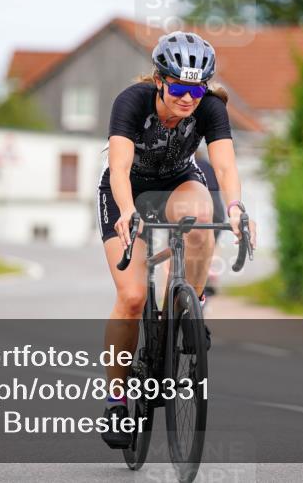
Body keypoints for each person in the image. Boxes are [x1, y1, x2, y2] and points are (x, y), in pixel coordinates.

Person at [97, 30, 256, 448]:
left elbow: (224, 167)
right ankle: (117, 401)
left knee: (205, 217)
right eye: (181, 88)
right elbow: (118, 168)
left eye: (197, 89)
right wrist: (128, 211)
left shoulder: (210, 109)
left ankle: (190, 307)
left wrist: (237, 208)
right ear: (160, 80)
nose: (189, 99)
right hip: (128, 190)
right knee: (132, 297)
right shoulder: (131, 102)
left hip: (179, 181)